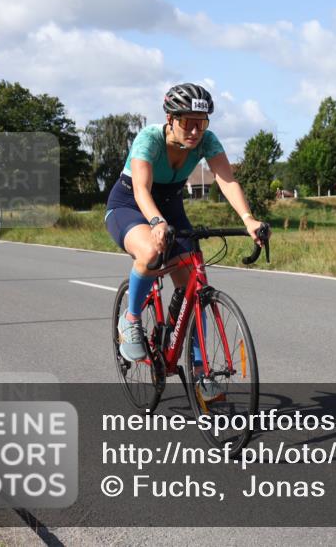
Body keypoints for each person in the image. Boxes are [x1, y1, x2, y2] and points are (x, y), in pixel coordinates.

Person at [104, 83, 268, 396]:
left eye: (201, 123)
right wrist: (156, 222)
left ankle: (200, 371)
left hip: (171, 206)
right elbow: (141, 189)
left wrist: (248, 219)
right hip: (129, 205)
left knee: (194, 282)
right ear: (170, 118)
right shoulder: (149, 139)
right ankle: (132, 319)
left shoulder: (207, 140)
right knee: (150, 253)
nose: (195, 131)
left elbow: (226, 180)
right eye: (187, 122)